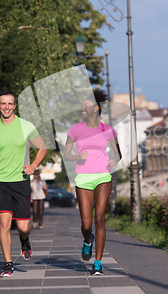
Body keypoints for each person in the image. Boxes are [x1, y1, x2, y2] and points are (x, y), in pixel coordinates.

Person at [0, 90, 47, 277]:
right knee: (4, 223)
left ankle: (24, 239)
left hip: (21, 181)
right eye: (3, 103)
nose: (6, 107)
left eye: (10, 103)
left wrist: (33, 165)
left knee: (24, 226)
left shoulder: (26, 126)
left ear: (14, 106)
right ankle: (8, 263)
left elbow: (42, 147)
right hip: (0, 181)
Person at [63, 88, 121, 276]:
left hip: (103, 176)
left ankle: (98, 262)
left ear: (96, 108)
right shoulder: (75, 129)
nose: (82, 108)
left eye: (86, 106)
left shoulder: (108, 130)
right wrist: (77, 156)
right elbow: (66, 154)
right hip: (83, 177)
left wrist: (115, 160)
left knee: (99, 219)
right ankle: (88, 241)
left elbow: (118, 152)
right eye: (81, 106)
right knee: (86, 224)